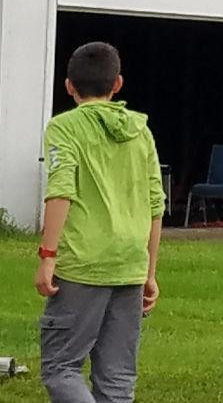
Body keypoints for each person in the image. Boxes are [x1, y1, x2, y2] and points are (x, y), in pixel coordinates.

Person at [35, 41, 164, 403]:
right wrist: (149, 272)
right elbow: (156, 206)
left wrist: (48, 255)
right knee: (117, 380)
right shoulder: (142, 132)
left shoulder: (64, 128)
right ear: (117, 83)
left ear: (69, 86)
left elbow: (61, 191)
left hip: (83, 264)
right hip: (130, 264)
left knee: (61, 367)